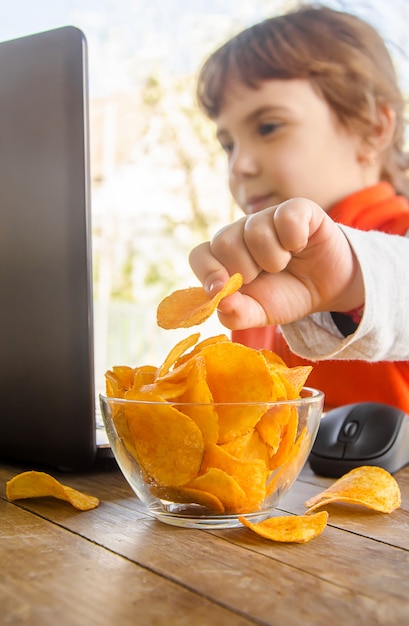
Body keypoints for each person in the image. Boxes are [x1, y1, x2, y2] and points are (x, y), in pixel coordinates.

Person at [188, 3, 409, 411]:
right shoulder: (253, 273)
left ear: (372, 128)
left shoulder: (400, 240)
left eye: (269, 127)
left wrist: (353, 281)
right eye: (228, 144)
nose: (240, 165)